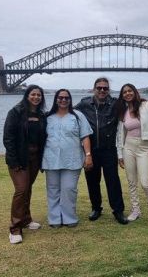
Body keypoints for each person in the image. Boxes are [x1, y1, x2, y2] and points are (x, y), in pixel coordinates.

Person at [75, 77, 128, 224]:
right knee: (92, 180)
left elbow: (132, 104)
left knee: (113, 181)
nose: (102, 90)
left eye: (105, 88)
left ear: (108, 90)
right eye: (99, 88)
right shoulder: (85, 104)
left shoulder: (116, 103)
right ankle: (96, 208)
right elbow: (67, 112)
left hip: (109, 149)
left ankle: (118, 211)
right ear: (94, 89)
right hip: (91, 150)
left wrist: (147, 102)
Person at [42, 89, 93, 228]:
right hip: (50, 159)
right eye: (60, 97)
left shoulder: (77, 116)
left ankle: (69, 218)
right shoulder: (47, 117)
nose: (63, 100)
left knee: (69, 189)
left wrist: (88, 155)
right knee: (53, 189)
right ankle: (55, 219)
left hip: (72, 159)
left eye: (66, 98)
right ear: (55, 99)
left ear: (70, 100)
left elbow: (85, 136)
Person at [3, 85, 47, 244]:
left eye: (39, 95)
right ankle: (15, 227)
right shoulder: (15, 112)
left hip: (35, 158)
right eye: (33, 94)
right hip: (19, 157)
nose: (36, 97)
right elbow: (8, 138)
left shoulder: (41, 115)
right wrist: (13, 161)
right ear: (27, 96)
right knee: (21, 189)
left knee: (28, 187)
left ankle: (26, 220)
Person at [115, 83, 148, 224]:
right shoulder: (122, 111)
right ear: (122, 95)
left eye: (130, 91)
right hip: (128, 147)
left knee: (145, 183)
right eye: (124, 92)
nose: (127, 94)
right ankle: (136, 210)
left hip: (144, 147)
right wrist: (120, 154)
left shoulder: (147, 105)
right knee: (131, 182)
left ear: (135, 92)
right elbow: (120, 134)